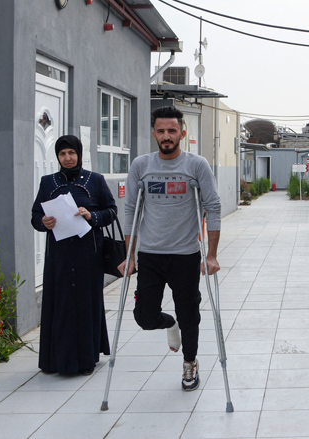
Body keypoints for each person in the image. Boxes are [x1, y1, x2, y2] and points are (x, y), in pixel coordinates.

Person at [119, 106, 221, 391]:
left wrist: (211, 255)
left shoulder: (197, 165)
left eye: (172, 131)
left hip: (186, 255)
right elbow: (131, 211)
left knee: (190, 314)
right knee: (144, 317)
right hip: (150, 255)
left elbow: (212, 207)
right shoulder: (142, 165)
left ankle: (190, 362)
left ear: (182, 133)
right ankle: (169, 325)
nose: (166, 136)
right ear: (154, 133)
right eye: (161, 131)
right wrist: (129, 256)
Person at [31, 135, 116, 375]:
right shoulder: (48, 182)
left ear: (79, 154)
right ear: (57, 157)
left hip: (88, 253)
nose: (67, 158)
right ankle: (55, 359)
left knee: (85, 302)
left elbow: (111, 210)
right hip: (59, 255)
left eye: (71, 153)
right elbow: (35, 215)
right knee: (60, 302)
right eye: (62, 154)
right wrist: (43, 222)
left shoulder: (95, 180)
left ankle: (86, 359)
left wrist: (92, 216)